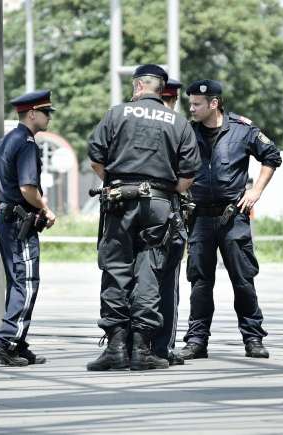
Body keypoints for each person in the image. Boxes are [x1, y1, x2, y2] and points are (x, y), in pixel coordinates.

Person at [86, 64, 201, 371]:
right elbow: (188, 174)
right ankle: (141, 349)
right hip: (159, 205)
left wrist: (116, 182)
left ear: (138, 86)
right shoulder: (178, 123)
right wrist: (166, 192)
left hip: (119, 201)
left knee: (116, 269)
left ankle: (115, 348)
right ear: (162, 90)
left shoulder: (116, 114)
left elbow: (96, 158)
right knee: (150, 272)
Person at [178, 79, 282, 360]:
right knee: (200, 282)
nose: (191, 108)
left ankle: (253, 338)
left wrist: (256, 191)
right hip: (199, 217)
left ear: (214, 103)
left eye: (197, 104)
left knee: (243, 279)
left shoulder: (242, 129)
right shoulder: (187, 132)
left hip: (232, 217)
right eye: (190, 103)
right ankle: (197, 341)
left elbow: (272, 156)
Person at [0, 90, 57, 366]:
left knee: (16, 281)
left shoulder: (9, 139)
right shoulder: (26, 143)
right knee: (27, 282)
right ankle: (5, 341)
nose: (49, 117)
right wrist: (46, 209)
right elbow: (27, 188)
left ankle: (18, 343)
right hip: (21, 221)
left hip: (7, 219)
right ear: (32, 114)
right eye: (46, 112)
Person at [150, 77, 186, 366]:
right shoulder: (177, 126)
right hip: (168, 209)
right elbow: (189, 173)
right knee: (167, 281)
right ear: (173, 99)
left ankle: (132, 342)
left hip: (130, 211)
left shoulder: (127, 120)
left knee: (135, 278)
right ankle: (162, 347)